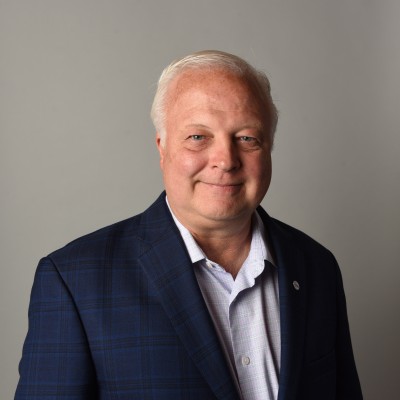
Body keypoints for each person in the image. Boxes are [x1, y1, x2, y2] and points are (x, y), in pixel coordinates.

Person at [15, 50, 363, 400]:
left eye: (246, 138)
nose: (226, 160)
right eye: (198, 137)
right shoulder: (75, 281)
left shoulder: (316, 266)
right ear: (162, 148)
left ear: (268, 147)